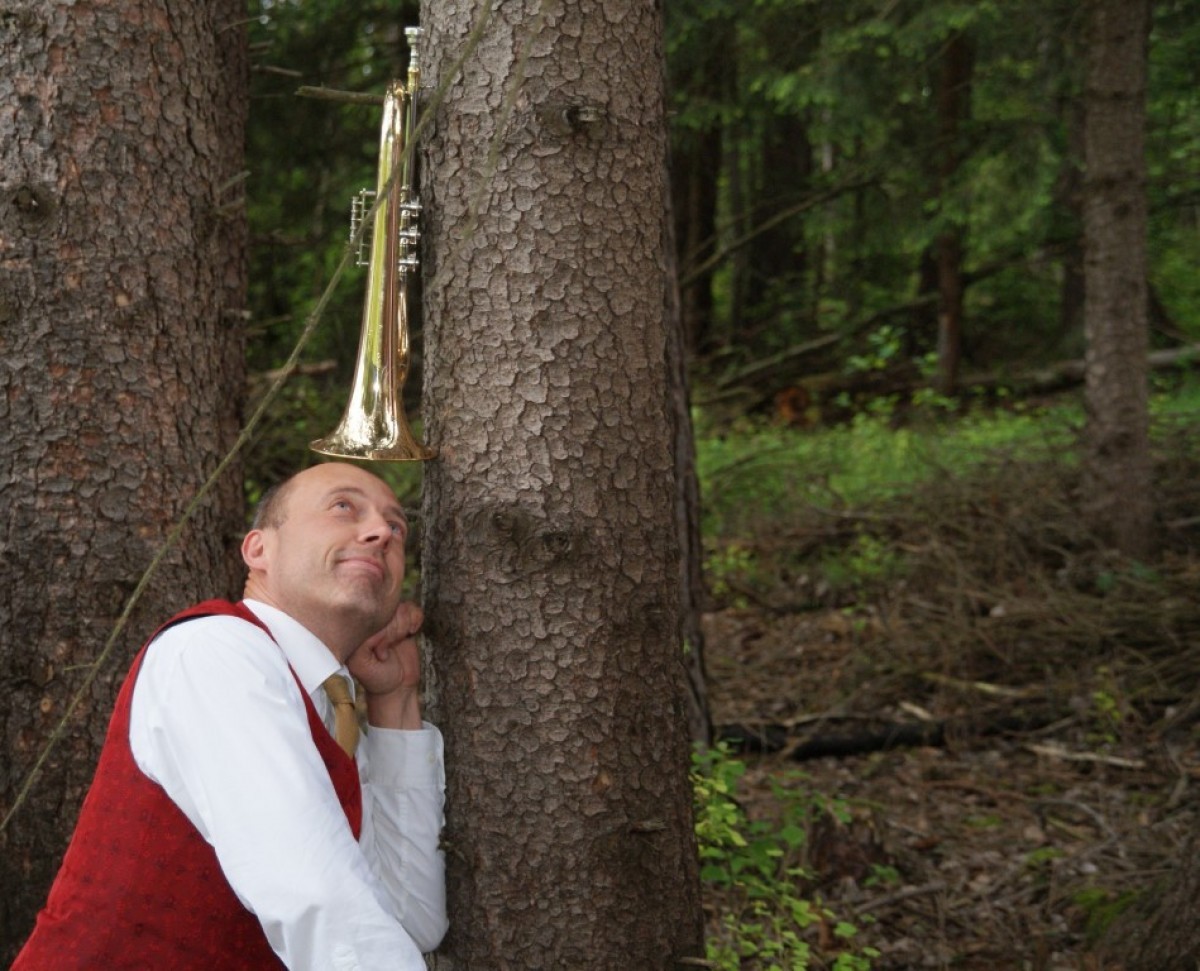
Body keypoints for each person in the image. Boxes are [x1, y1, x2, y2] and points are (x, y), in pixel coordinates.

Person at [14, 462, 447, 970]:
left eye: (396, 526)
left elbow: (409, 918)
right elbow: (318, 899)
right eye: (343, 507)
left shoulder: (332, 708)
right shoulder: (217, 650)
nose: (381, 532)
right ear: (259, 549)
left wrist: (394, 700)